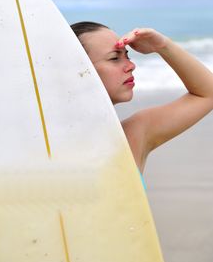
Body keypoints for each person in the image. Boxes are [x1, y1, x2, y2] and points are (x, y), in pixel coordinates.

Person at [71, 21, 213, 174]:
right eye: (114, 58)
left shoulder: (133, 136)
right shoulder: (45, 144)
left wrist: (162, 46)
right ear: (76, 71)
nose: (131, 65)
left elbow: (208, 94)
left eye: (127, 55)